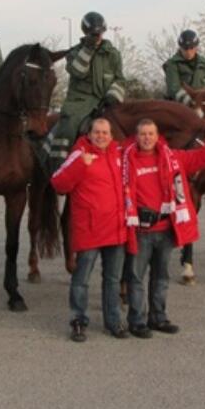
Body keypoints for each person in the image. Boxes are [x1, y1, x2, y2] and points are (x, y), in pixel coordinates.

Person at [123, 118, 205, 338]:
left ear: (157, 135)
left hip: (165, 228)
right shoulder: (126, 159)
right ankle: (137, 320)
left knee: (161, 277)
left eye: (151, 134)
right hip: (141, 230)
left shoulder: (173, 158)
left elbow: (202, 157)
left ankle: (158, 317)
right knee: (136, 278)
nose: (147, 138)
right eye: (143, 134)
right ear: (136, 136)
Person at [50, 118, 128, 342]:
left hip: (115, 229)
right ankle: (78, 320)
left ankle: (113, 321)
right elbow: (58, 183)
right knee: (81, 279)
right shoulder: (79, 154)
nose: (101, 136)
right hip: (89, 229)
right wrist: (79, 164)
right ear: (89, 134)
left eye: (105, 132)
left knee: (112, 280)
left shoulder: (118, 155)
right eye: (97, 132)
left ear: (111, 136)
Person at [45, 12, 126, 170]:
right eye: (93, 34)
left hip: (106, 100)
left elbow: (120, 79)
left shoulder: (113, 54)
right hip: (79, 103)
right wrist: (88, 48)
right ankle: (57, 165)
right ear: (85, 33)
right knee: (67, 126)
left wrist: (113, 95)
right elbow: (78, 71)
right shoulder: (74, 53)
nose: (97, 36)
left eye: (100, 33)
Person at [163, 29, 205, 106]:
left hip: (204, 106)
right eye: (185, 48)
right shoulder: (172, 64)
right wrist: (191, 103)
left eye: (191, 48)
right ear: (180, 48)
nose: (188, 51)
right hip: (180, 107)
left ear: (196, 47)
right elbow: (174, 89)